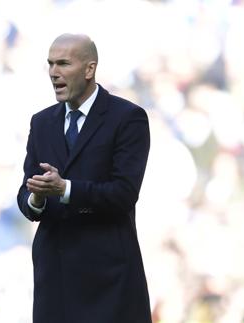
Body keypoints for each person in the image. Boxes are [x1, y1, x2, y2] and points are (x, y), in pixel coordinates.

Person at [16, 33, 152, 322]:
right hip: (55, 277)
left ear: (90, 69)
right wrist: (37, 196)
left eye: (63, 64)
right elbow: (26, 195)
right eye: (50, 64)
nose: (54, 73)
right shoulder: (41, 122)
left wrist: (65, 189)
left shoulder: (128, 118)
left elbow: (124, 193)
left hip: (108, 278)